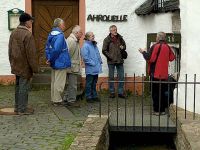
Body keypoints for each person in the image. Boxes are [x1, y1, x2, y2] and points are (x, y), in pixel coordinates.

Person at [8, 13, 38, 115]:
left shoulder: (14, 32)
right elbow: (31, 54)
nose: (32, 22)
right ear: (26, 22)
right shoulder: (28, 34)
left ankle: (17, 108)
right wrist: (35, 68)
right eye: (30, 21)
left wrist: (11, 62)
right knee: (23, 88)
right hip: (24, 66)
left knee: (17, 87)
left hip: (16, 64)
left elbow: (10, 50)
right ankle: (22, 109)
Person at [139, 32, 175, 115]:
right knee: (162, 92)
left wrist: (143, 52)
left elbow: (150, 58)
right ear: (164, 38)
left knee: (155, 92)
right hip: (164, 74)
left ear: (158, 38)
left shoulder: (155, 46)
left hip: (155, 73)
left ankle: (156, 110)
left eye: (156, 37)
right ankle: (162, 110)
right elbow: (172, 58)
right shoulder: (167, 47)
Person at [45, 18, 71, 106]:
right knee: (59, 82)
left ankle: (54, 99)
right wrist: (51, 59)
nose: (64, 26)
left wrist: (49, 58)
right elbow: (56, 50)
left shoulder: (51, 34)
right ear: (59, 25)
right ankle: (57, 100)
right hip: (60, 61)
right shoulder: (60, 35)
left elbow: (48, 48)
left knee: (54, 81)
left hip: (54, 62)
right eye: (63, 24)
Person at [102, 25, 126, 98]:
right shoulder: (107, 39)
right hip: (111, 61)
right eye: (113, 30)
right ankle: (112, 92)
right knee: (111, 77)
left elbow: (124, 46)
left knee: (121, 76)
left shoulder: (120, 38)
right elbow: (104, 50)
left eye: (115, 29)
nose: (115, 31)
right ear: (110, 31)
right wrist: (110, 57)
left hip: (119, 60)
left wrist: (123, 47)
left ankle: (120, 92)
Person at [64, 25, 83, 107]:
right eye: (81, 33)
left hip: (73, 66)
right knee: (73, 85)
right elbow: (67, 54)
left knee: (71, 84)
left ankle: (66, 98)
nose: (82, 34)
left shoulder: (74, 40)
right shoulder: (72, 41)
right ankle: (71, 101)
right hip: (72, 67)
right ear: (76, 33)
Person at [81, 32, 102, 103]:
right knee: (89, 83)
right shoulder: (85, 46)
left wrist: (100, 61)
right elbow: (85, 58)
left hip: (96, 68)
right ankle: (88, 96)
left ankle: (94, 96)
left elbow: (97, 54)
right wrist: (93, 63)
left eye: (93, 35)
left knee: (94, 83)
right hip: (90, 68)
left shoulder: (94, 44)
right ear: (87, 37)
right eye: (91, 36)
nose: (93, 37)